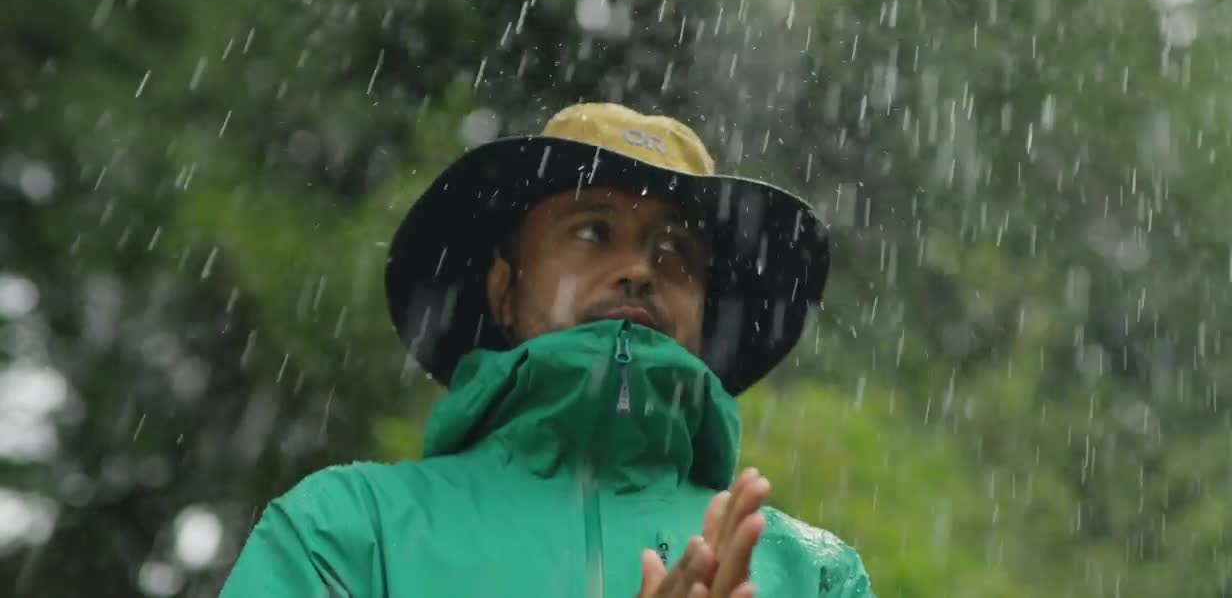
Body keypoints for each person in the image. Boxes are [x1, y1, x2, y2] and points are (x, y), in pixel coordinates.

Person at [220, 103, 875, 597]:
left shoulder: (813, 575)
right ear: (505, 287)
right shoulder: (348, 531)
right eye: (592, 230)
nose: (640, 270)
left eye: (676, 248)